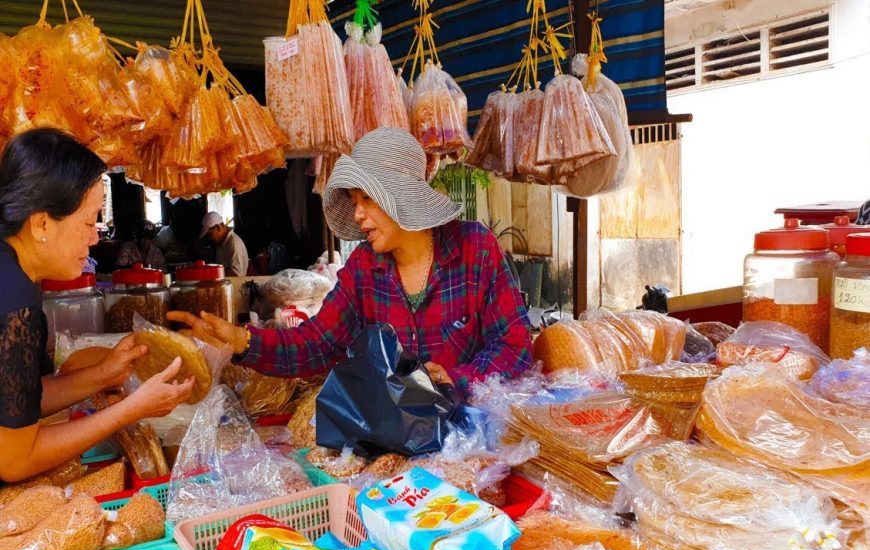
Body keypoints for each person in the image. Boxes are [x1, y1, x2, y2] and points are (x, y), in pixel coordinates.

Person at [171, 128, 532, 395]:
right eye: (353, 200)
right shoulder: (363, 268)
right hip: (397, 445)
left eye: (367, 199)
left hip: (474, 441)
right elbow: (317, 344)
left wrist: (458, 378)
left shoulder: (474, 248)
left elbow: (515, 347)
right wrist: (242, 341)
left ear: (400, 197)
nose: (357, 215)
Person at [0, 128, 194, 482]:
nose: (94, 238)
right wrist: (130, 410)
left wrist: (103, 374)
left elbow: (17, 403)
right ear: (42, 223)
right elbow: (14, 460)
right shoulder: (12, 298)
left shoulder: (12, 272)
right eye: (89, 221)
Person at [200, 211, 249, 277]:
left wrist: (213, 270)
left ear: (218, 227)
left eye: (210, 234)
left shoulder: (233, 243)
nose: (209, 238)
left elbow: (237, 275)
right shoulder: (220, 242)